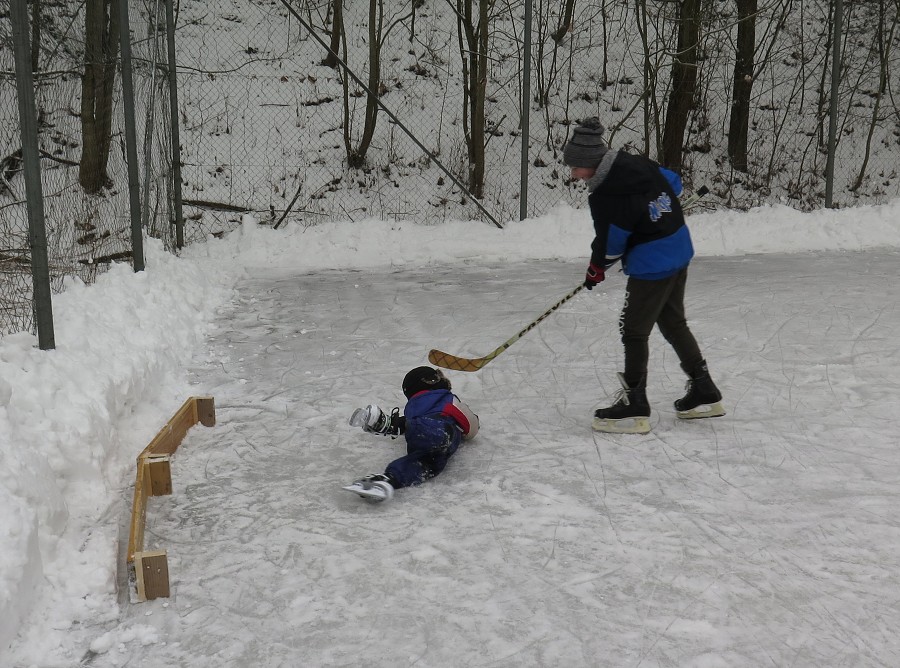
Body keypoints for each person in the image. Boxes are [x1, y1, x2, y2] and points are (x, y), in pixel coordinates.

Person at [562, 117, 724, 434]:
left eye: (575, 167)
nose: (572, 174)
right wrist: (652, 207)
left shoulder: (607, 195)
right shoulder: (634, 163)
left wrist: (596, 269)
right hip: (678, 247)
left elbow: (611, 243)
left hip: (654, 263)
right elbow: (673, 183)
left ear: (591, 163)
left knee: (634, 331)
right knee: (673, 322)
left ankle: (635, 405)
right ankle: (704, 389)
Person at [344, 366, 479, 501]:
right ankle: (390, 425)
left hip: (417, 432)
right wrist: (469, 429)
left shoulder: (413, 404)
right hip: (441, 429)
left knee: (422, 461)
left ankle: (387, 479)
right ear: (431, 381)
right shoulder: (446, 398)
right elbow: (471, 424)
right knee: (432, 453)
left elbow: (416, 422)